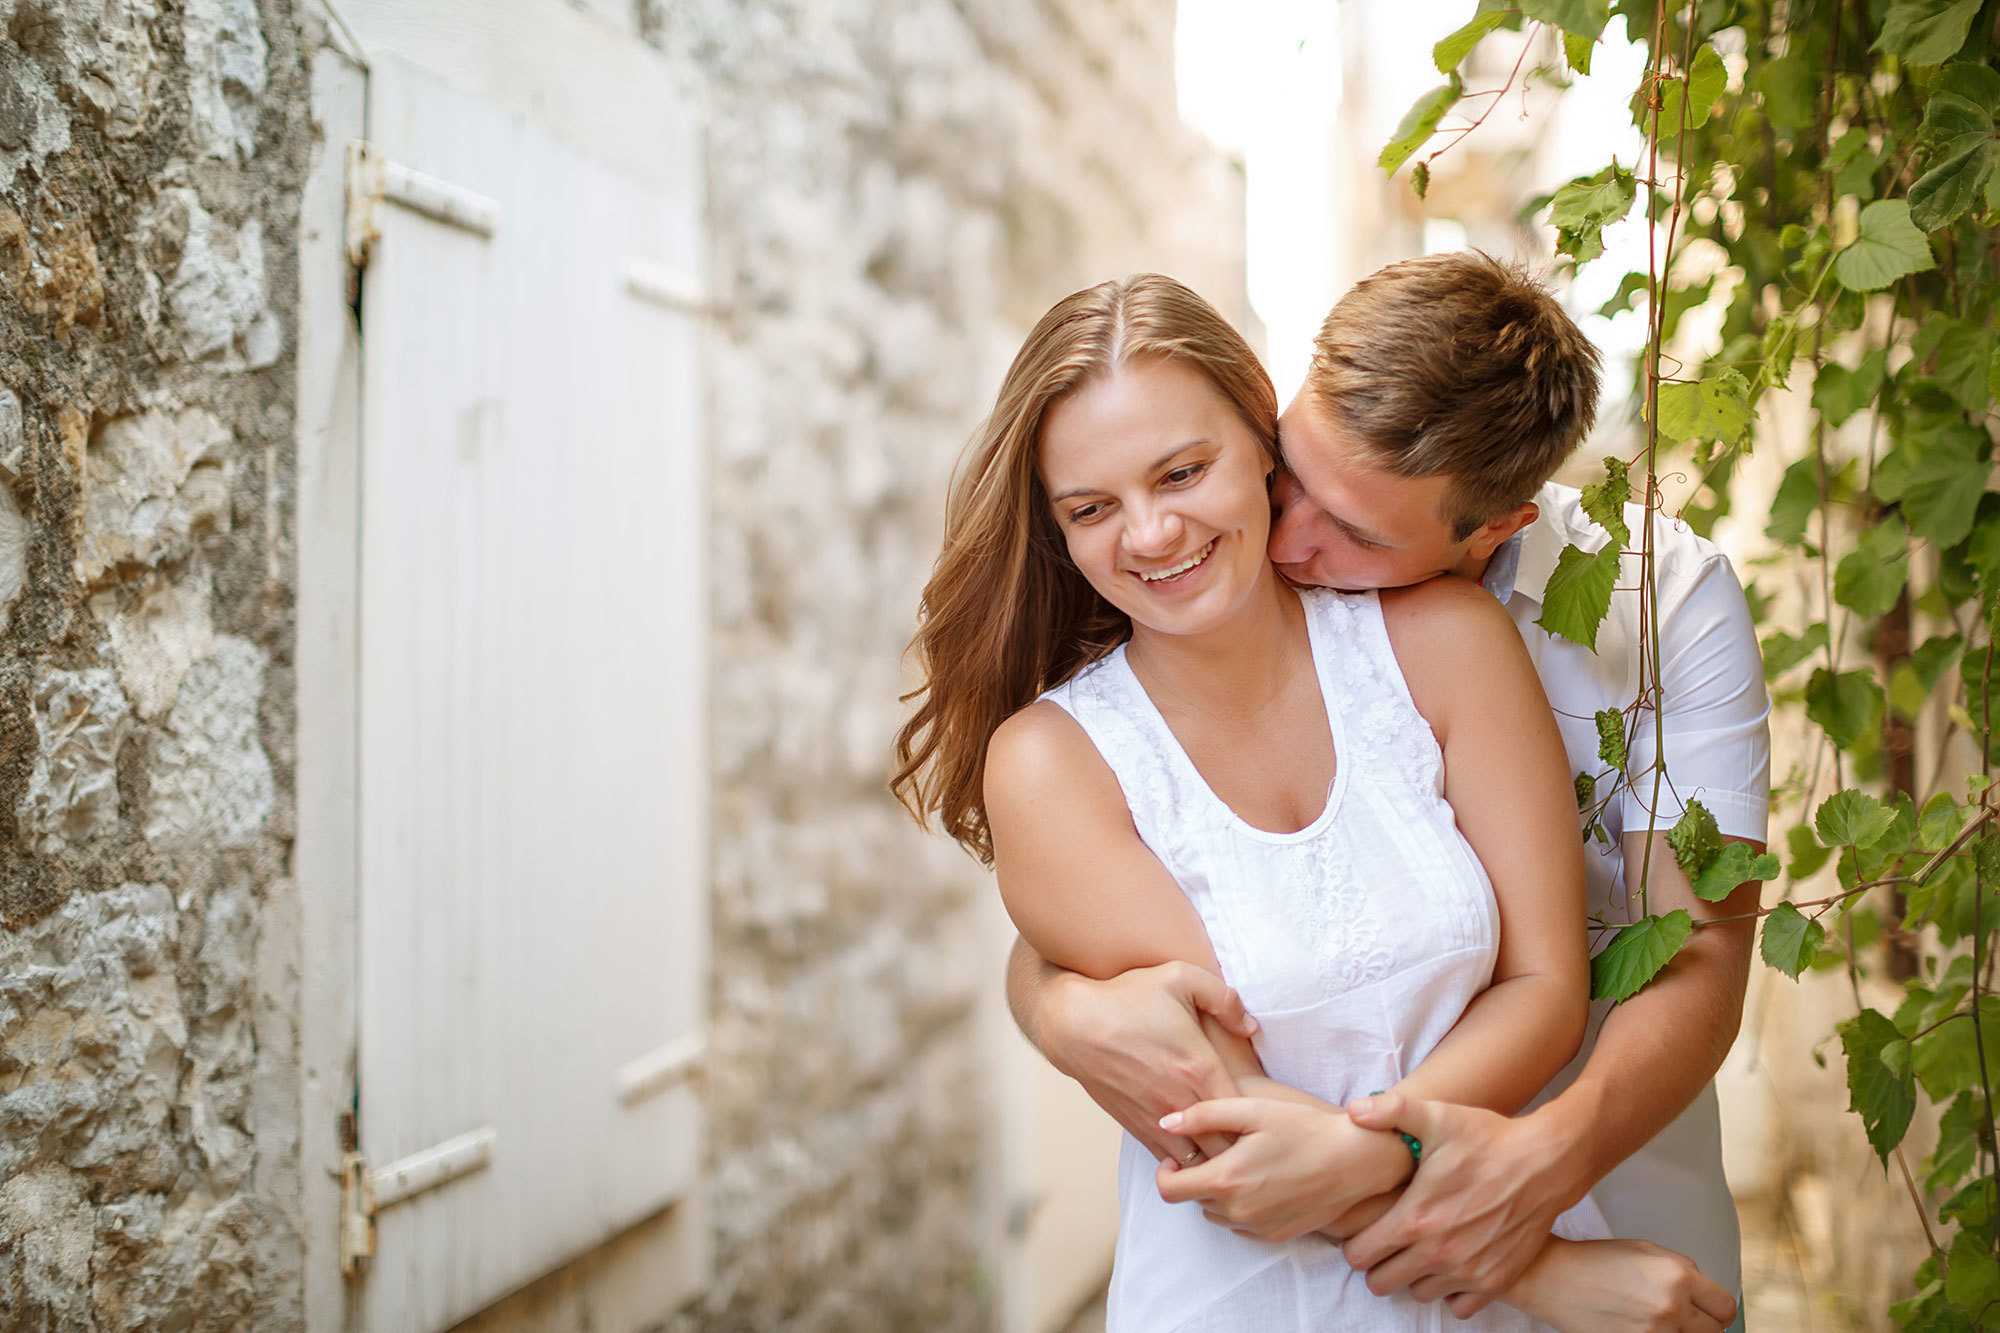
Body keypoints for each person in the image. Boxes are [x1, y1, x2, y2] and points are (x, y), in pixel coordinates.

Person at [892, 271, 1738, 1331]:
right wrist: (1541, 1273)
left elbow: (1541, 981)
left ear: (1256, 433)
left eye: (1182, 470)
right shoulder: (1050, 759)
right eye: (1091, 507)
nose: (1150, 534)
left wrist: (1374, 1152)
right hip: (1259, 1290)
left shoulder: (1446, 641)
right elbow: (1218, 1118)